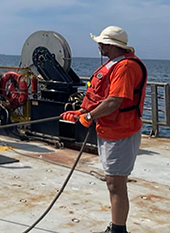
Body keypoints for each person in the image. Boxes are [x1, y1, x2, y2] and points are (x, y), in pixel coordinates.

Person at [61, 26, 147, 233]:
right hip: (109, 130)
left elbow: (114, 101)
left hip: (121, 133)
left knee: (116, 184)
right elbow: (99, 96)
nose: (98, 46)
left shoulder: (125, 67)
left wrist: (89, 117)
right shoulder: (114, 65)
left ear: (109, 45)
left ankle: (119, 230)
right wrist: (80, 111)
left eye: (100, 43)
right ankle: (116, 226)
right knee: (112, 182)